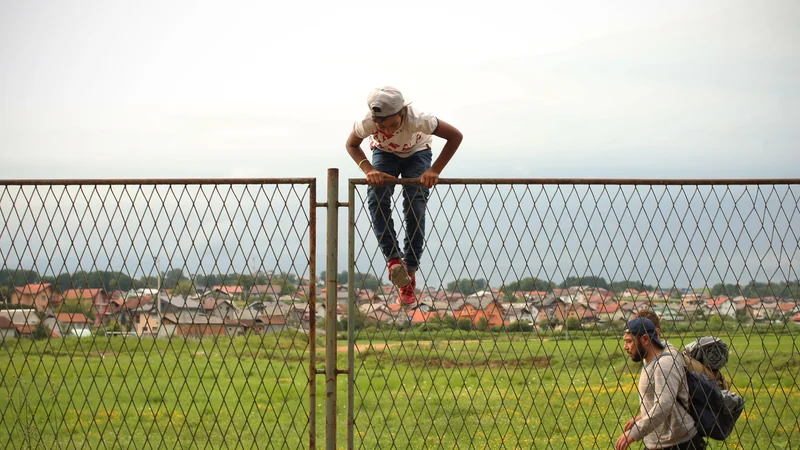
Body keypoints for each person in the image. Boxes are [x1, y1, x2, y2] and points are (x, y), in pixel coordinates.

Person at [345, 86, 463, 305]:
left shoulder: (420, 119)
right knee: (377, 198)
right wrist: (368, 170)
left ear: (402, 113)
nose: (387, 130)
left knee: (415, 203)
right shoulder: (366, 123)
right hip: (384, 153)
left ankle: (409, 269)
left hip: (418, 152)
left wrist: (434, 170)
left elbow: (455, 136)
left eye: (393, 124)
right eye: (382, 126)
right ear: (374, 119)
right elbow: (351, 145)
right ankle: (393, 260)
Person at [617, 317, 705, 450]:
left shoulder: (664, 364)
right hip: (661, 442)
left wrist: (634, 434)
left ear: (645, 340)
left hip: (677, 443)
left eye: (629, 341)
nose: (625, 347)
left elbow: (664, 404)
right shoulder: (652, 360)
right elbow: (664, 399)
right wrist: (643, 417)